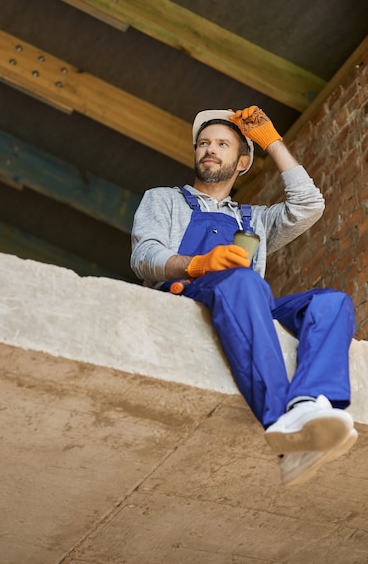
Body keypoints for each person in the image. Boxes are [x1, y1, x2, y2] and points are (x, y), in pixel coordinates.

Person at [130, 105, 357, 486]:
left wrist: (274, 143)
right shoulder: (164, 200)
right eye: (203, 143)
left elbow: (309, 206)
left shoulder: (256, 219)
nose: (209, 149)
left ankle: (305, 403)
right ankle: (280, 423)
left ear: (243, 161)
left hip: (248, 304)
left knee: (332, 303)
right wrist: (197, 264)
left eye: (222, 144)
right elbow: (144, 255)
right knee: (245, 282)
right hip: (188, 294)